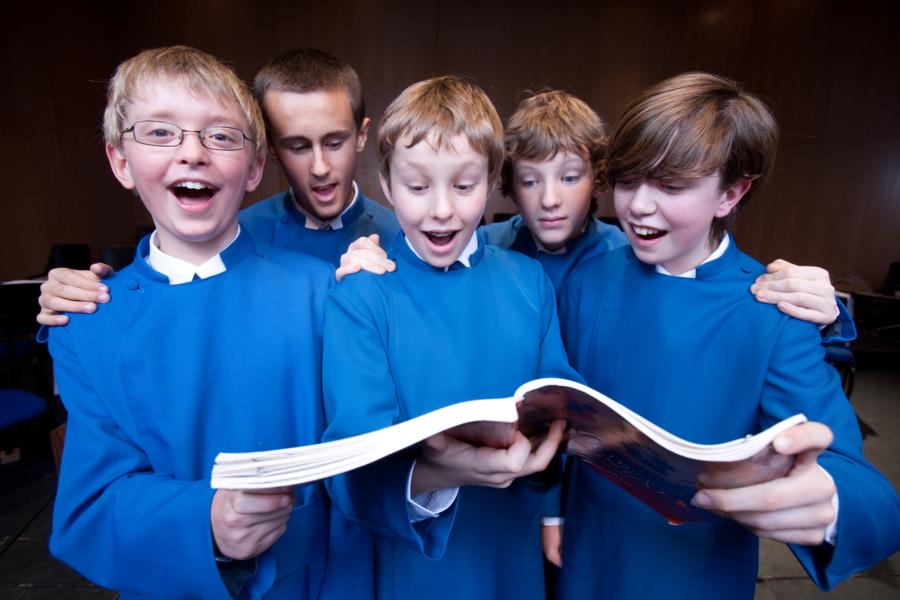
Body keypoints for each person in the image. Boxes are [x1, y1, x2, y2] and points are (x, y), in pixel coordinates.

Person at [555, 72, 900, 599]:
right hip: (586, 551)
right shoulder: (590, 278)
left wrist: (830, 500)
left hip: (695, 571)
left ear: (732, 192)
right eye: (627, 180)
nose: (639, 206)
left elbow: (852, 477)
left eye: (670, 186)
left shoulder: (772, 309)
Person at [47, 46, 334, 599]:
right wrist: (205, 523)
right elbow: (92, 502)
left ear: (254, 168)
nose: (193, 154)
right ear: (120, 161)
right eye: (160, 133)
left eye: (222, 136)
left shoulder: (320, 291)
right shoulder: (86, 322)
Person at [321, 75, 572, 599]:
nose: (441, 209)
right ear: (387, 186)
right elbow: (353, 461)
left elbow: (560, 399)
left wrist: (564, 434)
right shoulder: (362, 295)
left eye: (464, 185)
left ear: (491, 180)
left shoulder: (528, 281)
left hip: (509, 550)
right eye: (417, 187)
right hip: (409, 563)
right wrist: (436, 473)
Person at [35, 48, 399, 326]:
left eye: (335, 142)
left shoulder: (406, 235)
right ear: (268, 151)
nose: (320, 167)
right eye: (297, 146)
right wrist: (79, 293)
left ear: (362, 135)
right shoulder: (231, 231)